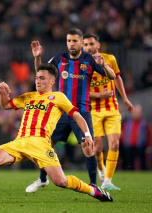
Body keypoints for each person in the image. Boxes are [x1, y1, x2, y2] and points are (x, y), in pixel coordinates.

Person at [0, 63, 113, 202]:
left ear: (52, 81)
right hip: (20, 141)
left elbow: (78, 116)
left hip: (41, 143)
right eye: (36, 78)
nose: (38, 81)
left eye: (42, 78)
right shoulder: (29, 96)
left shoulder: (58, 97)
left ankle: (93, 191)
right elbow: (6, 105)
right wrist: (3, 94)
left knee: (61, 181)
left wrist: (87, 135)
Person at [26, 28, 116, 193]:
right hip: (61, 112)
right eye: (69, 41)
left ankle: (93, 185)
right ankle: (43, 179)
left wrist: (105, 67)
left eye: (75, 41)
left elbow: (112, 76)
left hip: (81, 112)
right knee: (46, 144)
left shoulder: (89, 60)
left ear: (81, 43)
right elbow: (41, 73)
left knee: (88, 147)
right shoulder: (59, 59)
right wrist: (37, 57)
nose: (71, 44)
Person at [83, 33, 134, 190]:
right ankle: (101, 171)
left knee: (114, 144)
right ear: (82, 47)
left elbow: (117, 78)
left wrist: (124, 98)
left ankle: (108, 181)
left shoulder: (110, 58)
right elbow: (82, 91)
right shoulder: (82, 65)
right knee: (97, 148)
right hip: (93, 111)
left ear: (97, 45)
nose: (89, 47)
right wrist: (100, 95)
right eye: (85, 45)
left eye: (91, 44)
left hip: (112, 108)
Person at [120, 104, 151, 170]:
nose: (135, 114)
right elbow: (123, 134)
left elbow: (148, 135)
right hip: (128, 146)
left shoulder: (144, 124)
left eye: (137, 112)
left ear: (140, 113)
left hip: (140, 147)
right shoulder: (127, 123)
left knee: (142, 163)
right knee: (128, 163)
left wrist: (148, 146)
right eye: (134, 112)